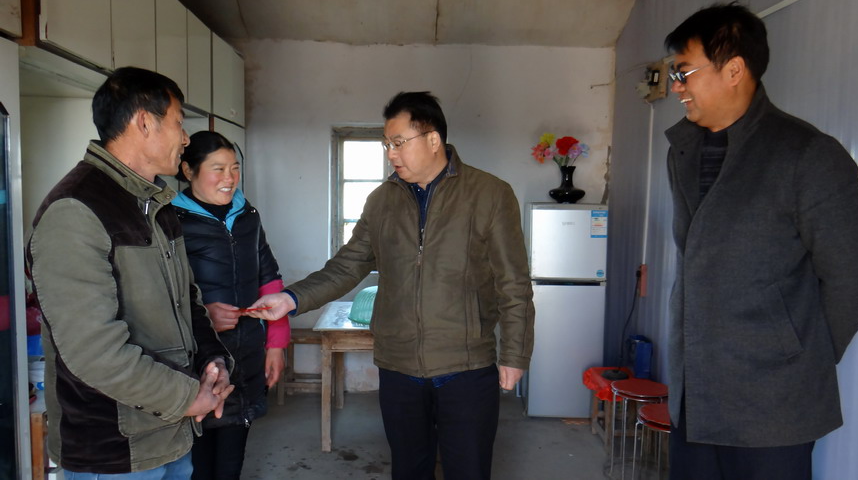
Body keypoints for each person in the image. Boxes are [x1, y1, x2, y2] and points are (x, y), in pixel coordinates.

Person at [247, 91, 535, 480]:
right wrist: (291, 298)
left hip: (465, 366)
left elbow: (513, 283)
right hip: (399, 366)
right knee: (409, 469)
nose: (391, 154)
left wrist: (515, 354)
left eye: (399, 143)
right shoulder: (381, 201)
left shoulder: (489, 194)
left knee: (468, 470)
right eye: (387, 144)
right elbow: (347, 266)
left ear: (433, 140)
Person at [663, 3, 858, 480]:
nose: (676, 87)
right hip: (695, 394)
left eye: (684, 72)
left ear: (734, 70)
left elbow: (853, 273)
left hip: (773, 406)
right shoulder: (684, 151)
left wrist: (799, 351)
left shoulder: (805, 154)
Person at [26, 67, 235, 478]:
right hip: (114, 453)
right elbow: (94, 353)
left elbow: (188, 301)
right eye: (178, 123)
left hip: (170, 434)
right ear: (144, 123)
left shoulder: (156, 205)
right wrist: (188, 396)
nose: (185, 138)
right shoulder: (76, 210)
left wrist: (213, 362)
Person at [172, 131, 289, 479]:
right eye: (218, 168)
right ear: (188, 170)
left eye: (235, 168)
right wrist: (201, 314)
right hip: (196, 360)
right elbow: (160, 293)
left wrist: (276, 345)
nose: (230, 178)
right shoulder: (172, 219)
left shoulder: (247, 214)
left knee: (231, 462)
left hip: (247, 353)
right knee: (197, 463)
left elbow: (269, 277)